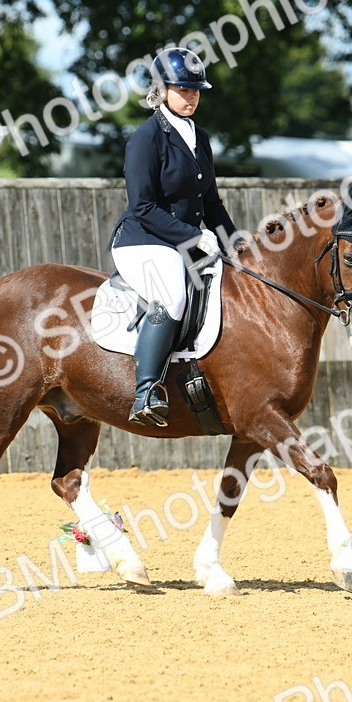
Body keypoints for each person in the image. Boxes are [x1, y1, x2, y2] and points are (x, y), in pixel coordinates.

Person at [106, 47, 239, 427]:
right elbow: (142, 206)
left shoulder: (200, 137)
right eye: (182, 89)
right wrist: (193, 237)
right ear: (161, 90)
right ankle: (145, 392)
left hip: (183, 241)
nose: (191, 96)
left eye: (195, 90)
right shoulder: (146, 138)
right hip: (143, 240)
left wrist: (236, 246)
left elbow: (211, 203)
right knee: (173, 295)